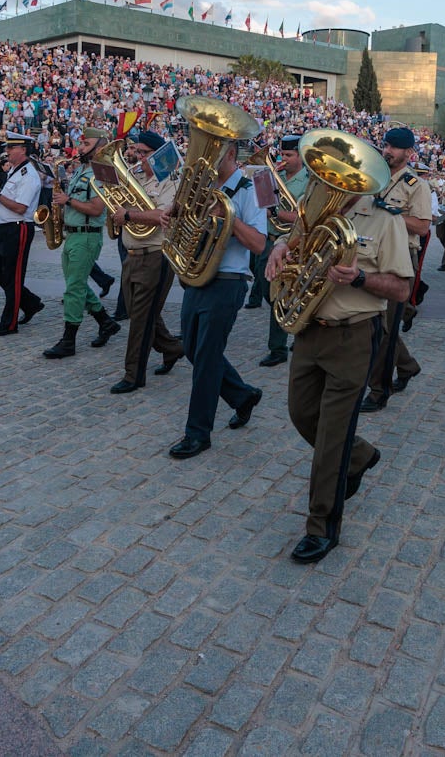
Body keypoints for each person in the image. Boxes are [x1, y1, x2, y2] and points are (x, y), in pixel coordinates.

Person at [262, 174, 413, 564]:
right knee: (300, 413)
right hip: (309, 329)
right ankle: (359, 456)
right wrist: (280, 247)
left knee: (332, 435)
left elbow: (401, 289)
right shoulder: (317, 211)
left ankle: (321, 526)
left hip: (353, 335)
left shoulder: (386, 219)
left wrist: (359, 277)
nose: (331, 182)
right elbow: (292, 236)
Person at [167, 134, 269, 460]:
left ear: (226, 153)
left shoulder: (249, 191)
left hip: (227, 280)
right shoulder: (201, 189)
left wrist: (228, 216)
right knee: (193, 351)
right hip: (196, 277)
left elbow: (258, 244)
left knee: (207, 360)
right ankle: (242, 395)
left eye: (210, 151)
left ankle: (198, 433)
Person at [107, 132, 186, 394]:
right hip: (132, 254)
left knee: (140, 319)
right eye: (136, 152)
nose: (137, 157)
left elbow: (163, 215)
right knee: (139, 312)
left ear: (157, 154)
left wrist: (128, 214)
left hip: (156, 255)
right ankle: (173, 348)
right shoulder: (136, 177)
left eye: (143, 153)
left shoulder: (171, 181)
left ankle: (133, 374)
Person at [360, 128, 432, 413]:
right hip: (370, 255)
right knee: (379, 323)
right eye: (386, 145)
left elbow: (423, 227)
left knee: (385, 330)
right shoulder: (372, 176)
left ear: (408, 153)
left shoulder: (417, 185)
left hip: (400, 257)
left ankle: (379, 390)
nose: (387, 150)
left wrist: (392, 214)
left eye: (394, 147)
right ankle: (407, 366)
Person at [42, 129, 121, 358]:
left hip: (87, 235)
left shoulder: (102, 173)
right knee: (76, 284)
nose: (80, 147)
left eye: (86, 144)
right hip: (74, 235)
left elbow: (97, 209)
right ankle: (105, 322)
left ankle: (68, 340)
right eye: (81, 143)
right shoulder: (80, 171)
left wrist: (69, 200)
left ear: (99, 148)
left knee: (74, 288)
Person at [0, 134, 46, 336]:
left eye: (12, 148)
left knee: (14, 277)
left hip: (18, 228)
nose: (7, 151)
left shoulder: (29, 175)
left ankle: (9, 323)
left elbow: (20, 207)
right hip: (5, 228)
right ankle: (30, 302)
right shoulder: (15, 171)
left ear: (24, 150)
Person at [260, 136, 311, 367]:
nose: (283, 159)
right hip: (268, 239)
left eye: (289, 155)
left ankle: (277, 348)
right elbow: (261, 205)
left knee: (277, 295)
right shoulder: (275, 177)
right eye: (281, 154)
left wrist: (277, 214)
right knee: (265, 290)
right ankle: (300, 324)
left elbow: (306, 219)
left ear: (300, 157)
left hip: (292, 244)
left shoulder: (309, 182)